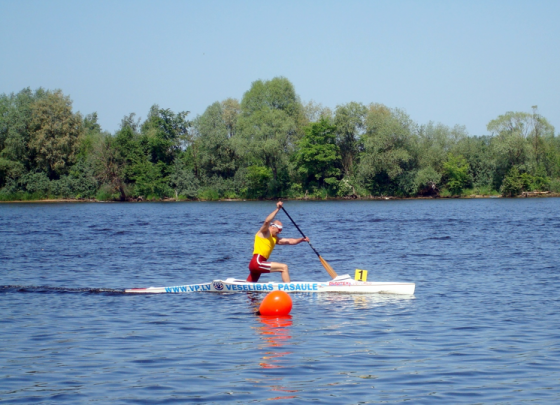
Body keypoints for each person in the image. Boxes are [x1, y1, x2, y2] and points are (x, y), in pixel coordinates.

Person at [247, 201, 309, 282]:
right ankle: (289, 290)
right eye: (279, 230)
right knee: (284, 267)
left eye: (281, 230)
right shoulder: (264, 232)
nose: (280, 232)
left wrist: (302, 239)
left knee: (250, 287)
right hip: (257, 262)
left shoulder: (275, 238)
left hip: (258, 264)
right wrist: (278, 209)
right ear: (273, 227)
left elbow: (290, 241)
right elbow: (266, 221)